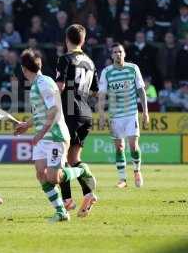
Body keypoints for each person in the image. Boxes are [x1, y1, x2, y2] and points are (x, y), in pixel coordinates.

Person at [14, 49, 95, 222]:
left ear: (23, 69)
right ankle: (61, 212)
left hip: (55, 136)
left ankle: (82, 170)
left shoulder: (44, 83)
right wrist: (26, 125)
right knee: (40, 174)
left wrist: (41, 133)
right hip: (44, 137)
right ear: (40, 64)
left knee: (54, 177)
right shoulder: (37, 84)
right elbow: (41, 113)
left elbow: (54, 109)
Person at [55, 24, 98, 217]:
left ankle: (67, 200)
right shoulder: (90, 62)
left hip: (69, 113)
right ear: (83, 39)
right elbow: (95, 91)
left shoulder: (64, 59)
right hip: (86, 113)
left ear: (66, 39)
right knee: (74, 159)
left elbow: (60, 87)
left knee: (61, 158)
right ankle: (88, 193)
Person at [98, 43, 149, 188]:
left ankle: (137, 171)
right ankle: (122, 179)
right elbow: (101, 95)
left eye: (120, 51)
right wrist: (101, 115)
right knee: (119, 147)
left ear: (124, 54)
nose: (118, 54)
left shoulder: (133, 68)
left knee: (133, 145)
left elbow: (141, 91)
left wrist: (145, 112)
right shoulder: (106, 72)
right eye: (115, 52)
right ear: (111, 55)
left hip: (131, 113)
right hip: (115, 115)